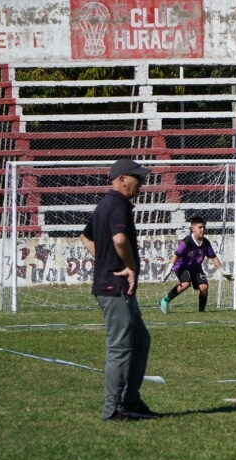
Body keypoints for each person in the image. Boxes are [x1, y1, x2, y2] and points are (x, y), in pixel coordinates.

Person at [80, 158, 159, 421]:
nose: (142, 184)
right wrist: (129, 267)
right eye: (138, 178)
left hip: (115, 286)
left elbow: (85, 236)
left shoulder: (106, 203)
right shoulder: (118, 205)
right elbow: (120, 239)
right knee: (120, 347)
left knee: (140, 340)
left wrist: (103, 260)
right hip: (115, 287)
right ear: (123, 178)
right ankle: (112, 409)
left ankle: (132, 400)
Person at [159, 216, 233, 314]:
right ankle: (165, 300)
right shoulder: (187, 241)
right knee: (185, 284)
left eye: (204, 227)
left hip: (196, 268)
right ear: (192, 229)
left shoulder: (205, 243)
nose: (203, 229)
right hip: (181, 266)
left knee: (204, 287)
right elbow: (176, 255)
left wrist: (223, 271)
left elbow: (213, 257)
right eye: (200, 227)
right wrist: (168, 270)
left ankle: (201, 311)